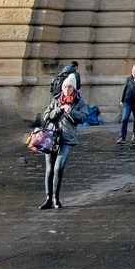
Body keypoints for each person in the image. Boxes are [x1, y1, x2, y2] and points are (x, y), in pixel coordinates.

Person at [39, 82, 87, 210]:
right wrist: (58, 109)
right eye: (65, 87)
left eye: (70, 87)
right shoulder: (56, 100)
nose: (67, 90)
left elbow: (83, 117)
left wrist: (71, 111)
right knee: (49, 169)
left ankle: (56, 197)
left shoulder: (79, 101)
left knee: (58, 168)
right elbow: (46, 116)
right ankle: (48, 198)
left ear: (74, 88)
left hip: (67, 138)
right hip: (51, 137)